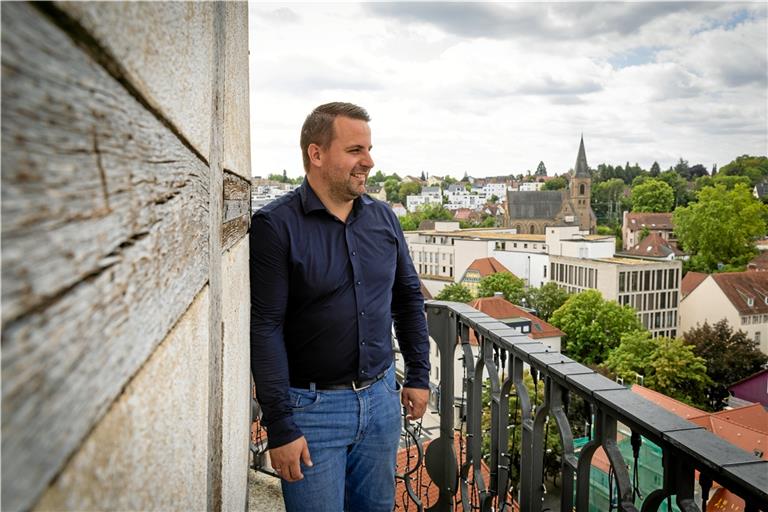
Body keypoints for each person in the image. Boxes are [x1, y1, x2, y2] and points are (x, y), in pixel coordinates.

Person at [249, 102, 430, 511]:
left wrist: (418, 374)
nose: (368, 161)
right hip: (312, 412)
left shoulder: (384, 219)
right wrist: (280, 425)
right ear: (316, 154)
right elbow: (265, 327)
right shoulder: (275, 226)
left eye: (368, 149)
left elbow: (407, 299)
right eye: (355, 150)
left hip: (383, 401)